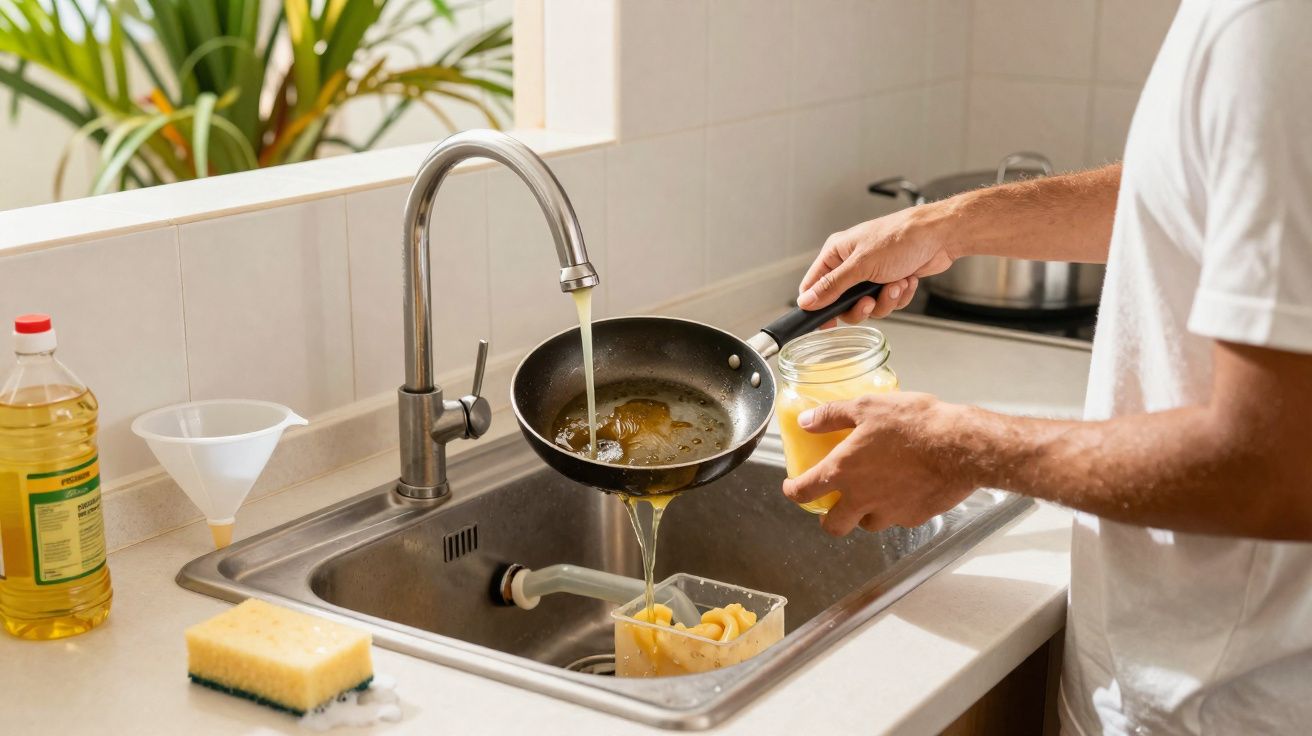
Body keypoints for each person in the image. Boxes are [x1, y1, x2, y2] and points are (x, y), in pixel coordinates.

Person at [785, 2, 1312, 733]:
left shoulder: (1276, 26)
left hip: (1227, 697)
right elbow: (1198, 186)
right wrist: (945, 224)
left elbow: (1274, 467)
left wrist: (959, 444)